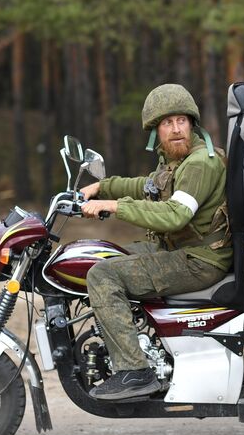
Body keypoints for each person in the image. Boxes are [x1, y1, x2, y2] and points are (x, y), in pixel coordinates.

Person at [79, 84, 232, 400]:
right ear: (155, 131)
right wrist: (102, 187)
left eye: (181, 121)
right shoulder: (176, 160)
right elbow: (148, 186)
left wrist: (114, 206)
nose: (176, 129)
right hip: (180, 250)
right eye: (167, 123)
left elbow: (175, 215)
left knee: (103, 275)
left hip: (200, 259)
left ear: (192, 123)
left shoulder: (200, 163)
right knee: (107, 255)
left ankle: (135, 372)